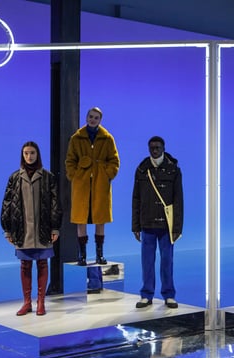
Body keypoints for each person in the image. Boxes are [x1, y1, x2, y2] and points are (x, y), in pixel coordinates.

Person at [1, 141, 62, 316]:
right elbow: (7, 204)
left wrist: (55, 228)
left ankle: (41, 302)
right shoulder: (15, 178)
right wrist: (8, 229)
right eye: (26, 153)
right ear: (22, 155)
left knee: (42, 263)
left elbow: (55, 204)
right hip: (22, 229)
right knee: (25, 265)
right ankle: (27, 302)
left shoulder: (48, 177)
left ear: (38, 154)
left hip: (43, 228)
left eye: (32, 153)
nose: (29, 156)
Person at [65, 107, 120, 294]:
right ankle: (82, 255)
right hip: (82, 185)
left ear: (100, 120)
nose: (93, 120)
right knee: (81, 219)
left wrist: (106, 174)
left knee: (99, 219)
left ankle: (99, 255)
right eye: (90, 117)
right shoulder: (77, 138)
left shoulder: (107, 138)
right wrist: (75, 175)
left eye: (96, 118)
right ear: (86, 117)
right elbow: (70, 161)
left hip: (99, 184)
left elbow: (114, 161)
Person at [132, 136, 183, 309]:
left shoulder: (174, 169)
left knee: (167, 260)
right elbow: (136, 198)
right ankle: (146, 294)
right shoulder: (142, 169)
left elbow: (178, 200)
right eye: (152, 148)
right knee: (147, 261)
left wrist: (177, 227)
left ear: (163, 148)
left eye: (157, 147)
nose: (154, 150)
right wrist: (135, 226)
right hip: (147, 223)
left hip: (166, 224)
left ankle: (169, 294)